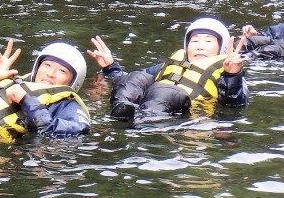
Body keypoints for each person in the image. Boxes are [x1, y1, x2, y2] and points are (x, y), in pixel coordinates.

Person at [89, 17, 248, 121]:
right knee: (137, 76)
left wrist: (232, 75)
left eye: (208, 41)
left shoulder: (228, 72)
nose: (200, 46)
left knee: (166, 90)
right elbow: (131, 81)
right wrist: (111, 67)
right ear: (187, 46)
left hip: (181, 112)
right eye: (195, 41)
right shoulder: (173, 62)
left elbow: (234, 106)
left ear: (221, 47)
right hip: (153, 101)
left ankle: (143, 120)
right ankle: (121, 108)